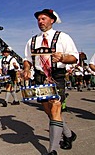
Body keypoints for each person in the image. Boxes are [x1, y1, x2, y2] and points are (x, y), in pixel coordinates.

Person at [23, 9, 78, 154]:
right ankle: (68, 134)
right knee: (49, 112)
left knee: (55, 109)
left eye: (43, 19)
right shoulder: (32, 40)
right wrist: (26, 69)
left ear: (52, 20)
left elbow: (74, 57)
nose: (40, 21)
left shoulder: (63, 37)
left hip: (56, 76)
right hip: (40, 78)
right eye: (39, 19)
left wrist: (63, 58)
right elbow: (27, 60)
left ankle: (52, 150)